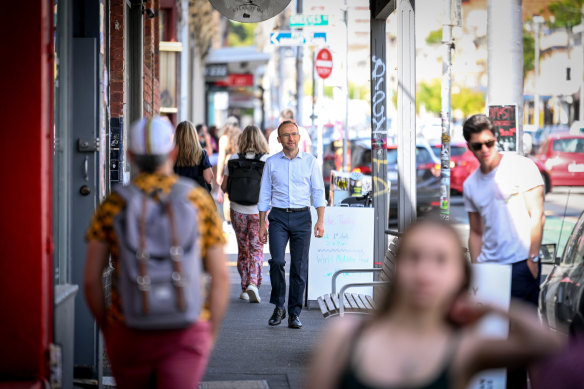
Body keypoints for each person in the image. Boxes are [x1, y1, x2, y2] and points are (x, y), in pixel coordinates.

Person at [307, 219, 562, 389]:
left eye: (441, 260)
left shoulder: (464, 348)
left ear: (461, 276)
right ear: (398, 269)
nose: (424, 272)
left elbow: (547, 344)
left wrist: (491, 307)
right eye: (413, 257)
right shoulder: (346, 336)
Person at [83, 116, 229, 388]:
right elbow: (220, 276)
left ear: (130, 155)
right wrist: (208, 334)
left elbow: (91, 279)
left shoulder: (113, 204)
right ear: (172, 153)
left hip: (128, 327)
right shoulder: (197, 201)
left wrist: (110, 328)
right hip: (186, 328)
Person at [462, 114, 545, 306]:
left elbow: (537, 215)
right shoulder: (470, 185)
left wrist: (532, 259)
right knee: (493, 331)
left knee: (523, 331)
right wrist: (478, 270)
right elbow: (475, 231)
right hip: (489, 268)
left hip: (521, 264)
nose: (484, 149)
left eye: (488, 143)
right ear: (470, 147)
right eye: (477, 146)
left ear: (496, 139)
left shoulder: (521, 166)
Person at [258, 120, 326, 329]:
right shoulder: (271, 163)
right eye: (286, 135)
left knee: (299, 266)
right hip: (278, 217)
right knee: (277, 262)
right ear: (279, 140)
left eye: (294, 134)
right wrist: (262, 224)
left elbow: (318, 192)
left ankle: (294, 313)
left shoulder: (310, 162)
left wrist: (320, 220)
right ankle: (279, 306)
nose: (291, 138)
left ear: (299, 137)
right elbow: (264, 193)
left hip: (302, 218)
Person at [221, 125, 270, 303]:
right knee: (257, 248)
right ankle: (253, 284)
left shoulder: (233, 159)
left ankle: (244, 287)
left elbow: (224, 186)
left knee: (243, 248)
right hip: (259, 212)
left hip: (237, 210)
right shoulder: (267, 160)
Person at [174, 120, 213, 192]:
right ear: (194, 135)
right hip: (196, 195)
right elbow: (208, 178)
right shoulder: (202, 153)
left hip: (177, 194)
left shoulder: (172, 154)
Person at [216, 122, 242, 226]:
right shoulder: (241, 135)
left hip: (228, 166)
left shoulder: (224, 138)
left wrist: (219, 174)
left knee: (227, 195)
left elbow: (221, 157)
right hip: (240, 166)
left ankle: (228, 222)